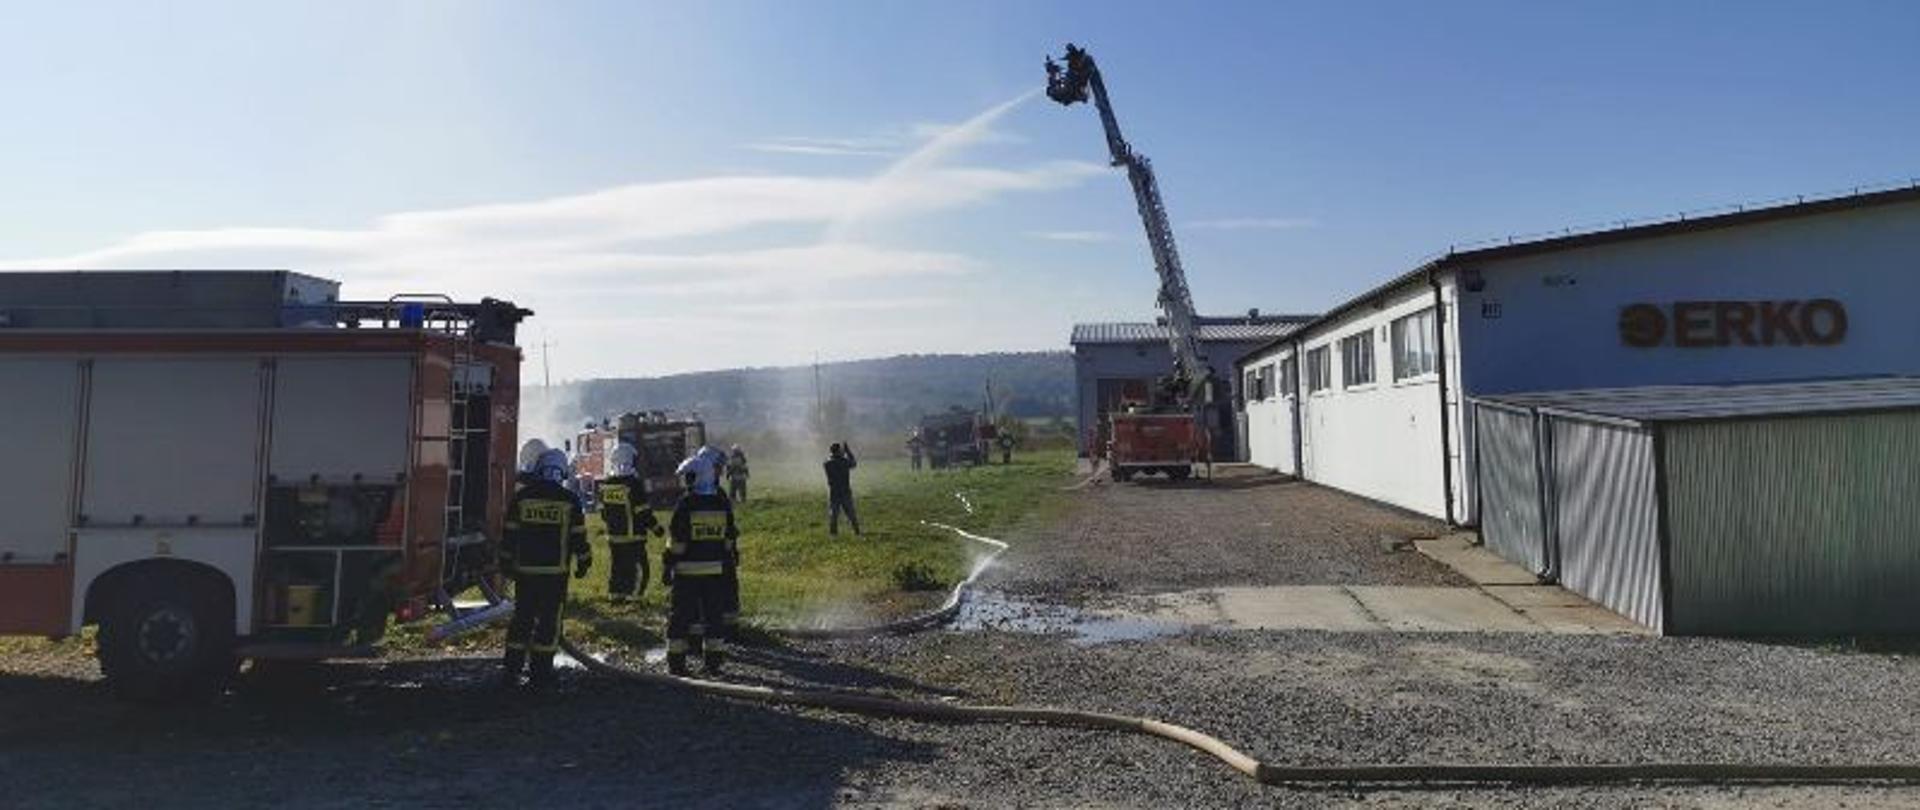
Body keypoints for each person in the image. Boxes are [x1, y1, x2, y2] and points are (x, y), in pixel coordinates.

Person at [500, 448, 590, 689]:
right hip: (554, 575)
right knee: (549, 623)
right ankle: (541, 672)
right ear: (562, 472)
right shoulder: (569, 500)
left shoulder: (522, 497)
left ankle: (512, 669)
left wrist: (506, 562)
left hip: (526, 572)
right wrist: (584, 561)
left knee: (522, 619)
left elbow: (509, 534)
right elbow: (578, 537)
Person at [664, 462, 740, 676]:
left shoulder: (686, 504)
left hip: (687, 573)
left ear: (697, 477)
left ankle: (677, 664)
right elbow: (729, 540)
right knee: (714, 618)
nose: (686, 481)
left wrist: (668, 564)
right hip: (715, 572)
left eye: (689, 477)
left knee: (680, 618)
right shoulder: (721, 503)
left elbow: (677, 542)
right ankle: (713, 663)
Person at [598, 442, 662, 603]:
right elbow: (643, 512)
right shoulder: (634, 484)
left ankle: (616, 596)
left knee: (617, 567)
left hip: (614, 537)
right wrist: (656, 528)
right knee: (641, 568)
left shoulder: (606, 485)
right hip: (634, 537)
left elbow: (603, 513)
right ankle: (635, 598)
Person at [823, 442, 861, 536]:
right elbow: (853, 464)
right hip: (845, 491)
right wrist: (848, 452)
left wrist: (843, 454)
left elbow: (833, 461)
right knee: (851, 513)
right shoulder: (843, 461)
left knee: (833, 514)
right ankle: (856, 531)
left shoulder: (827, 463)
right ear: (838, 451)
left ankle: (833, 533)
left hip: (834, 492)